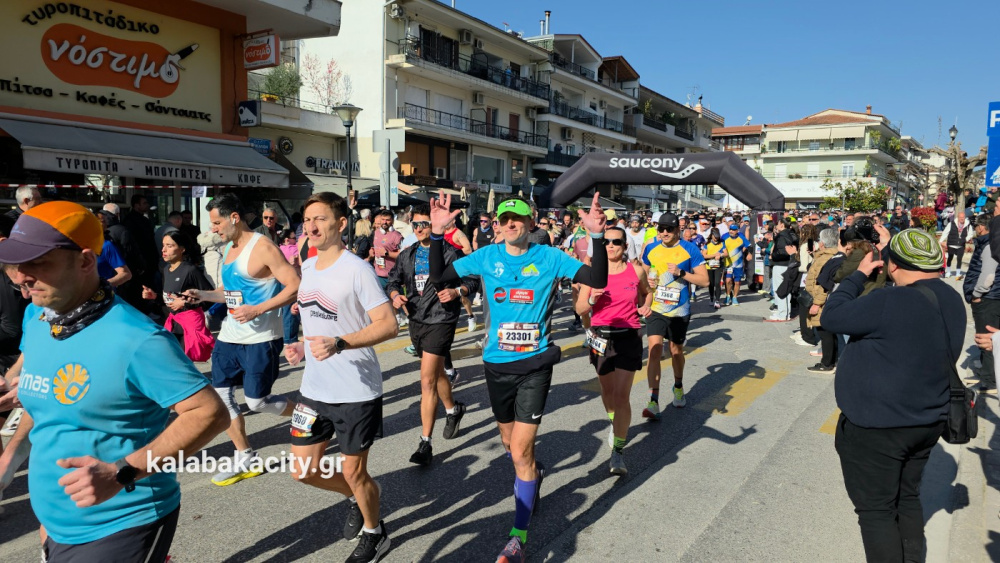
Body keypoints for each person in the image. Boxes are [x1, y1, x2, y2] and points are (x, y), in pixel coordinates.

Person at [0, 201, 228, 562]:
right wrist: (10, 460)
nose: (20, 277)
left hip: (121, 522)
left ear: (85, 261)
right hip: (57, 524)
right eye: (15, 264)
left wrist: (122, 472)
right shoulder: (40, 318)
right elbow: (44, 404)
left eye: (38, 263)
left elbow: (210, 413)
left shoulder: (137, 339)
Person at [427, 193, 608, 562]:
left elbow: (596, 277)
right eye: (504, 219)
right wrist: (435, 235)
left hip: (535, 364)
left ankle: (517, 537)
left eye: (518, 219)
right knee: (511, 446)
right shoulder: (487, 256)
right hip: (497, 365)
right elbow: (439, 276)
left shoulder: (550, 257)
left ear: (531, 223)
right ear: (497, 224)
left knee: (521, 451)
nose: (510, 224)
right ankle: (532, 474)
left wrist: (597, 237)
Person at [822, 229, 962, 562]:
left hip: (879, 426)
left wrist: (858, 275)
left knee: (876, 511)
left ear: (893, 266)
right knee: (907, 497)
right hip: (927, 419)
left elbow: (832, 316)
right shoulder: (950, 298)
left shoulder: (889, 300)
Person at [283, 191, 397, 563]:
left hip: (355, 391)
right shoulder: (309, 266)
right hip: (314, 390)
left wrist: (340, 343)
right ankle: (354, 496)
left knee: (354, 470)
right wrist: (303, 346)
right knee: (302, 470)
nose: (311, 227)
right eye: (307, 220)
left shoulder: (357, 270)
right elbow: (319, 319)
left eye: (320, 219)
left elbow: (388, 325)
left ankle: (375, 532)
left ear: (341, 223)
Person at [182, 193, 301, 486]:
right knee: (222, 398)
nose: (213, 229)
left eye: (216, 223)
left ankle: (308, 417)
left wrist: (258, 309)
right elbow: (229, 292)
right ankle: (245, 455)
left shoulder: (264, 247)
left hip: (261, 338)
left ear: (234, 218)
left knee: (257, 402)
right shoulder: (228, 249)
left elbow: (295, 285)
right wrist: (202, 296)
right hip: (229, 336)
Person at [387, 205, 478, 465]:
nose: (419, 229)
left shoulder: (450, 252)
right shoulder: (407, 254)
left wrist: (457, 292)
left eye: (424, 224)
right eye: (415, 224)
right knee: (436, 373)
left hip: (442, 319)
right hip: (417, 319)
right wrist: (395, 295)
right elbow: (393, 280)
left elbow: (472, 280)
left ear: (435, 225)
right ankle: (453, 409)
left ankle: (425, 443)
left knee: (426, 380)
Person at [575, 226, 651, 476]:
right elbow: (580, 309)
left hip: (628, 335)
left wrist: (646, 306)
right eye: (606, 242)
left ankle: (618, 452)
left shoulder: (636, 270)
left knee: (621, 396)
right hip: (601, 336)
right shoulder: (591, 274)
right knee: (607, 391)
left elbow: (647, 294)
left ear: (625, 246)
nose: (610, 245)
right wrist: (592, 300)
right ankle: (614, 422)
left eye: (616, 242)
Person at [640, 212, 709, 419]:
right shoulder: (651, 248)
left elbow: (705, 281)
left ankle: (678, 386)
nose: (664, 232)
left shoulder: (690, 249)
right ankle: (653, 401)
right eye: (661, 229)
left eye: (669, 229)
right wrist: (646, 283)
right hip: (656, 308)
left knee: (676, 351)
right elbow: (641, 276)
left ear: (678, 229)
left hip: (680, 310)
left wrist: (682, 273)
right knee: (654, 350)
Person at [142, 230, 215, 362]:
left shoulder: (190, 270)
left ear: (182, 249)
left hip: (188, 325)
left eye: (169, 246)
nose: (164, 250)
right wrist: (155, 297)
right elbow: (170, 299)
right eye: (163, 245)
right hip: (172, 323)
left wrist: (186, 303)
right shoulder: (166, 269)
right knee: (173, 361)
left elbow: (210, 298)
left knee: (183, 362)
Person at [963, 213, 999, 395]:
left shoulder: (990, 245)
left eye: (976, 226)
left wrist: (976, 294)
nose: (975, 229)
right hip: (989, 298)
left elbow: (988, 276)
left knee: (986, 339)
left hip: (987, 299)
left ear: (983, 227)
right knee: (986, 338)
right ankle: (985, 374)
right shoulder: (988, 243)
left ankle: (989, 381)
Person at [803, 228, 840, 372]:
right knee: (828, 332)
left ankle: (827, 364)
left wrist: (817, 303)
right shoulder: (829, 255)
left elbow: (822, 284)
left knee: (825, 332)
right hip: (822, 299)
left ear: (823, 243)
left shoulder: (825, 259)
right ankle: (832, 360)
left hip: (820, 300)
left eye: (819, 240)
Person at [443, 217, 479, 333]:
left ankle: (471, 316)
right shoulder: (442, 232)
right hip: (446, 268)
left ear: (453, 221)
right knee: (445, 294)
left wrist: (453, 253)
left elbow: (468, 249)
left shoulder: (458, 233)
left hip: (459, 268)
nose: (446, 222)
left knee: (462, 297)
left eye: (448, 220)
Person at [767, 218, 798, 322]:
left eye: (778, 224)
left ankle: (782, 314)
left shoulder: (782, 236)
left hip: (780, 265)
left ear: (782, 225)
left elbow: (782, 252)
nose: (776, 226)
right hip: (789, 264)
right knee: (786, 289)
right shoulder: (792, 234)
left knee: (779, 289)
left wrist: (773, 256)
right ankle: (785, 313)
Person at [721, 223, 749, 306]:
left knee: (737, 282)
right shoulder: (724, 236)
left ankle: (735, 298)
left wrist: (746, 252)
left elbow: (749, 245)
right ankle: (728, 296)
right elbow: (720, 246)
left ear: (737, 230)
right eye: (730, 229)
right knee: (728, 280)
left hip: (738, 264)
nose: (731, 231)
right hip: (728, 263)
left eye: (733, 230)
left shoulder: (741, 237)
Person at [939, 211, 971, 280]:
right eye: (960, 217)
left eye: (963, 217)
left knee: (959, 259)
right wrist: (940, 241)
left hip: (961, 245)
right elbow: (945, 232)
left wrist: (965, 239)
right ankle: (948, 272)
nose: (962, 219)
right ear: (958, 217)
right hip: (951, 244)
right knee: (950, 258)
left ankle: (958, 273)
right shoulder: (951, 223)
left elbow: (970, 234)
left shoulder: (968, 225)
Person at [702, 228, 725, 310]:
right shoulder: (707, 244)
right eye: (715, 237)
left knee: (717, 283)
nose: (716, 238)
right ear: (711, 235)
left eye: (717, 237)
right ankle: (711, 298)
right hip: (709, 266)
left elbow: (726, 253)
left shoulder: (722, 243)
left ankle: (717, 300)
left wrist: (720, 255)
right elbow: (704, 255)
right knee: (711, 283)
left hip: (718, 266)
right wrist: (714, 255)